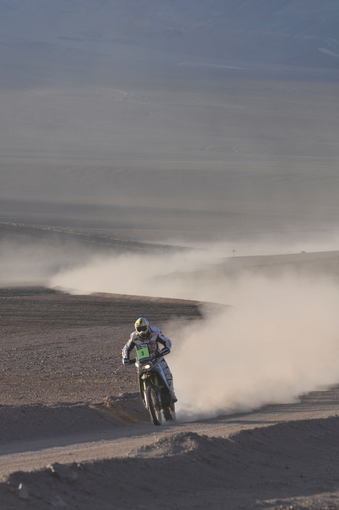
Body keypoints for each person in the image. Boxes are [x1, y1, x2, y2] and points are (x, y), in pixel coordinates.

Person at [122, 317, 177, 402]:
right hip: (142, 361)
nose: (142, 331)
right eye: (139, 329)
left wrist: (166, 349)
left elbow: (167, 341)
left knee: (167, 374)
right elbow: (126, 348)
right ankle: (145, 397)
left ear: (148, 327)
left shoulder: (155, 332)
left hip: (157, 358)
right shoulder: (134, 337)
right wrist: (125, 358)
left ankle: (172, 394)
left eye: (143, 328)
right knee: (139, 373)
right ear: (136, 329)